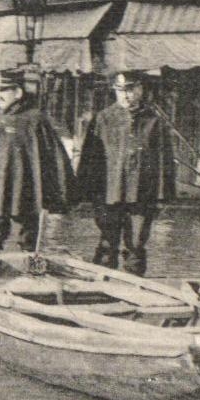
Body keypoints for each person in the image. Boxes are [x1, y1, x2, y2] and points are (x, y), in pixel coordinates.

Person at [75, 71, 176, 273]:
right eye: (120, 90)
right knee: (107, 241)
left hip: (141, 193)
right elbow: (90, 157)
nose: (125, 95)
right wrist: (85, 190)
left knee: (136, 243)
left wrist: (162, 195)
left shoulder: (153, 121)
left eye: (129, 90)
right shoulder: (103, 119)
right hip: (109, 192)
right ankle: (102, 285)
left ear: (140, 89)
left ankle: (133, 285)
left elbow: (164, 160)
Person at [0, 70, 73, 263]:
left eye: (3, 91)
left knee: (27, 237)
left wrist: (62, 192)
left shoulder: (35, 119)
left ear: (18, 93)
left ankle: (31, 277)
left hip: (25, 193)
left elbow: (54, 157)